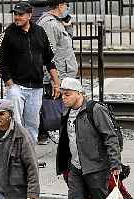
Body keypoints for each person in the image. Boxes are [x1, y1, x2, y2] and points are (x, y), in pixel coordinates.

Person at [56, 78, 133, 199]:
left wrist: (115, 162)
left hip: (96, 166)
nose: (64, 98)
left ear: (79, 93)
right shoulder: (67, 112)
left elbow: (110, 137)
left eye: (67, 95)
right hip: (75, 166)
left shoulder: (95, 110)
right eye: (62, 94)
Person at [0, 1, 61, 143]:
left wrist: (56, 82)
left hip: (36, 88)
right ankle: (16, 156)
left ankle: (30, 157)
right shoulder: (8, 33)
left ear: (29, 15)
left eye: (20, 14)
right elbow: (0, 62)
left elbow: (49, 59)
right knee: (16, 123)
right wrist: (10, 85)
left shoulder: (40, 32)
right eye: (15, 14)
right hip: (17, 87)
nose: (17, 17)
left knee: (32, 125)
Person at [36, 0, 78, 144]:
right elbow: (48, 54)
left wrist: (68, 26)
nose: (67, 8)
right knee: (56, 109)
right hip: (59, 75)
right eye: (67, 5)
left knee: (63, 108)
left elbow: (66, 42)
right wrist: (54, 80)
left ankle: (61, 137)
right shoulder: (49, 24)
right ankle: (44, 134)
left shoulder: (56, 22)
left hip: (63, 73)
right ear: (60, 6)